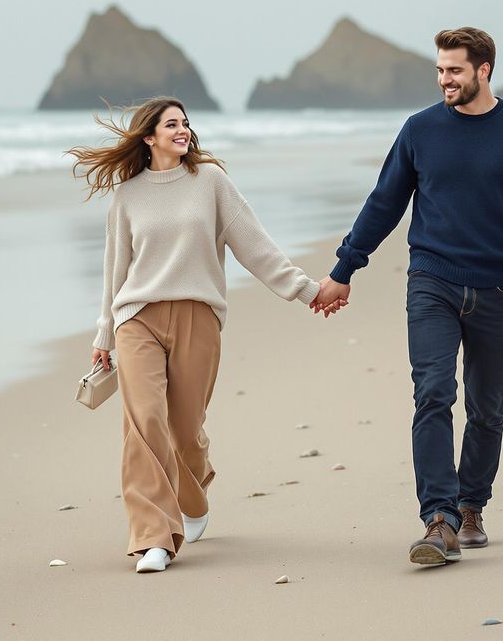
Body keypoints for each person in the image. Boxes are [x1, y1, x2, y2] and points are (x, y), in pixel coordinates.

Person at [312, 27, 503, 566]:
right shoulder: (419, 131)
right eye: (440, 70)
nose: (444, 79)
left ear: (484, 70)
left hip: (499, 285)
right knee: (432, 394)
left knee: (487, 408)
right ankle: (439, 519)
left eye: (454, 70)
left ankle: (472, 505)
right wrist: (344, 269)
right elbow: (384, 204)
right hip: (432, 280)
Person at [69, 96, 325, 573]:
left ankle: (194, 493)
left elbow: (255, 245)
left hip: (197, 316)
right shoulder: (126, 197)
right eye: (171, 125)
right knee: (144, 422)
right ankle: (154, 539)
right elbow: (114, 271)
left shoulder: (210, 182)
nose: (182, 131)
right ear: (149, 137)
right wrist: (104, 332)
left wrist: (306, 290)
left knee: (184, 430)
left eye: (185, 123)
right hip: (137, 318)